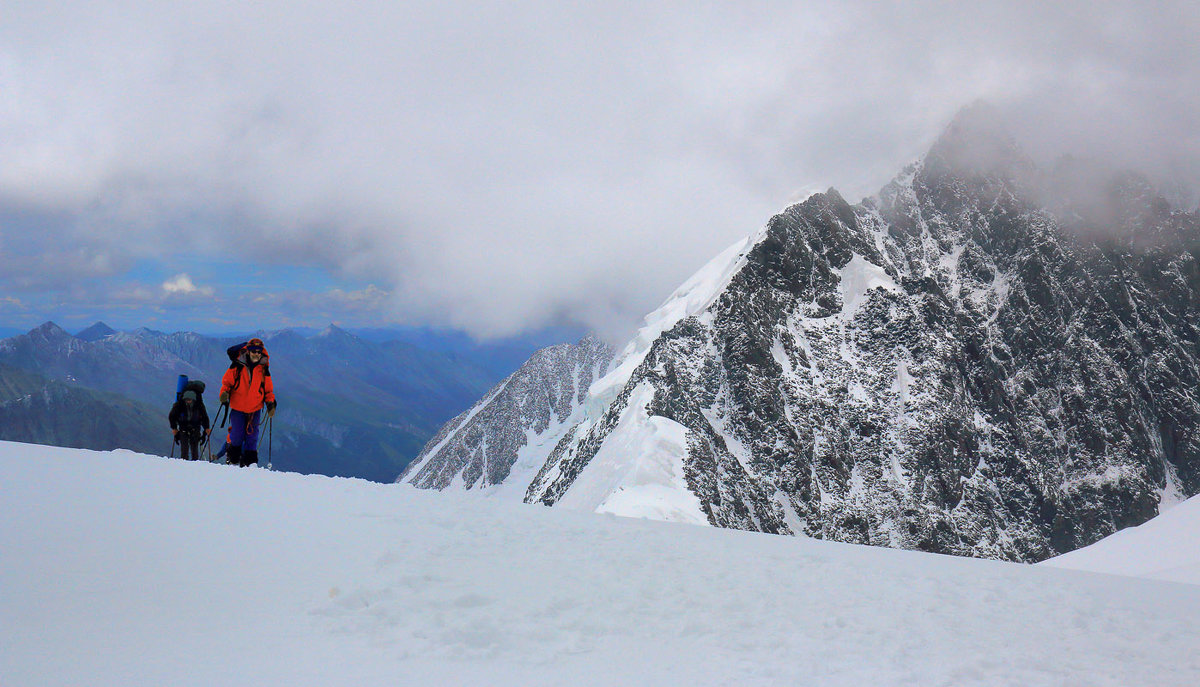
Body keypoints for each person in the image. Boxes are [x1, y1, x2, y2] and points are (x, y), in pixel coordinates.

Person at [219, 338, 276, 467]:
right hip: (238, 408)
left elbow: (268, 390)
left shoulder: (263, 369)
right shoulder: (238, 365)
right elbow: (227, 382)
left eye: (259, 352)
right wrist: (224, 393)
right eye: (254, 351)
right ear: (248, 351)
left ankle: (250, 464)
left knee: (252, 437)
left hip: (254, 409)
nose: (256, 354)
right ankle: (234, 462)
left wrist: (270, 403)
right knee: (237, 435)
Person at [169, 389, 211, 461]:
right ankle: (189, 463)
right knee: (185, 449)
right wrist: (174, 428)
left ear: (193, 399)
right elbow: (172, 416)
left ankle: (190, 464)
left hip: (192, 428)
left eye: (189, 400)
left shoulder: (197, 405)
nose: (188, 401)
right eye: (187, 400)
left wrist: (206, 428)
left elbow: (204, 417)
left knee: (193, 449)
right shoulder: (182, 405)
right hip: (186, 428)